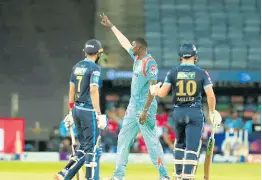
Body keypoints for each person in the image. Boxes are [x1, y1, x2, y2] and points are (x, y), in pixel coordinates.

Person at [100, 14, 170, 180]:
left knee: (152, 143)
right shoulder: (137, 58)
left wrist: (145, 110)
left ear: (139, 47)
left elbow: (153, 88)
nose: (131, 47)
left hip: (145, 108)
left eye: (133, 46)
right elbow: (124, 42)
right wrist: (111, 26)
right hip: (133, 107)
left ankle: (164, 175)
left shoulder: (149, 63)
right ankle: (118, 175)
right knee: (123, 139)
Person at [150, 44, 222, 180]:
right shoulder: (201, 73)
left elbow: (163, 92)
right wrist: (212, 112)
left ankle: (177, 175)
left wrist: (154, 91)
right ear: (195, 57)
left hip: (178, 112)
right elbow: (211, 96)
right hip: (194, 112)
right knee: (192, 148)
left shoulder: (172, 72)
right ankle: (187, 177)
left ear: (181, 57)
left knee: (179, 144)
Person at [54, 39, 108, 180]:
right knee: (92, 149)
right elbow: (94, 90)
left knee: (83, 148)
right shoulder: (95, 68)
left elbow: (71, 90)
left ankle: (64, 172)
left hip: (77, 109)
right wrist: (98, 113)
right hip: (88, 111)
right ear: (98, 53)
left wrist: (71, 111)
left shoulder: (76, 66)